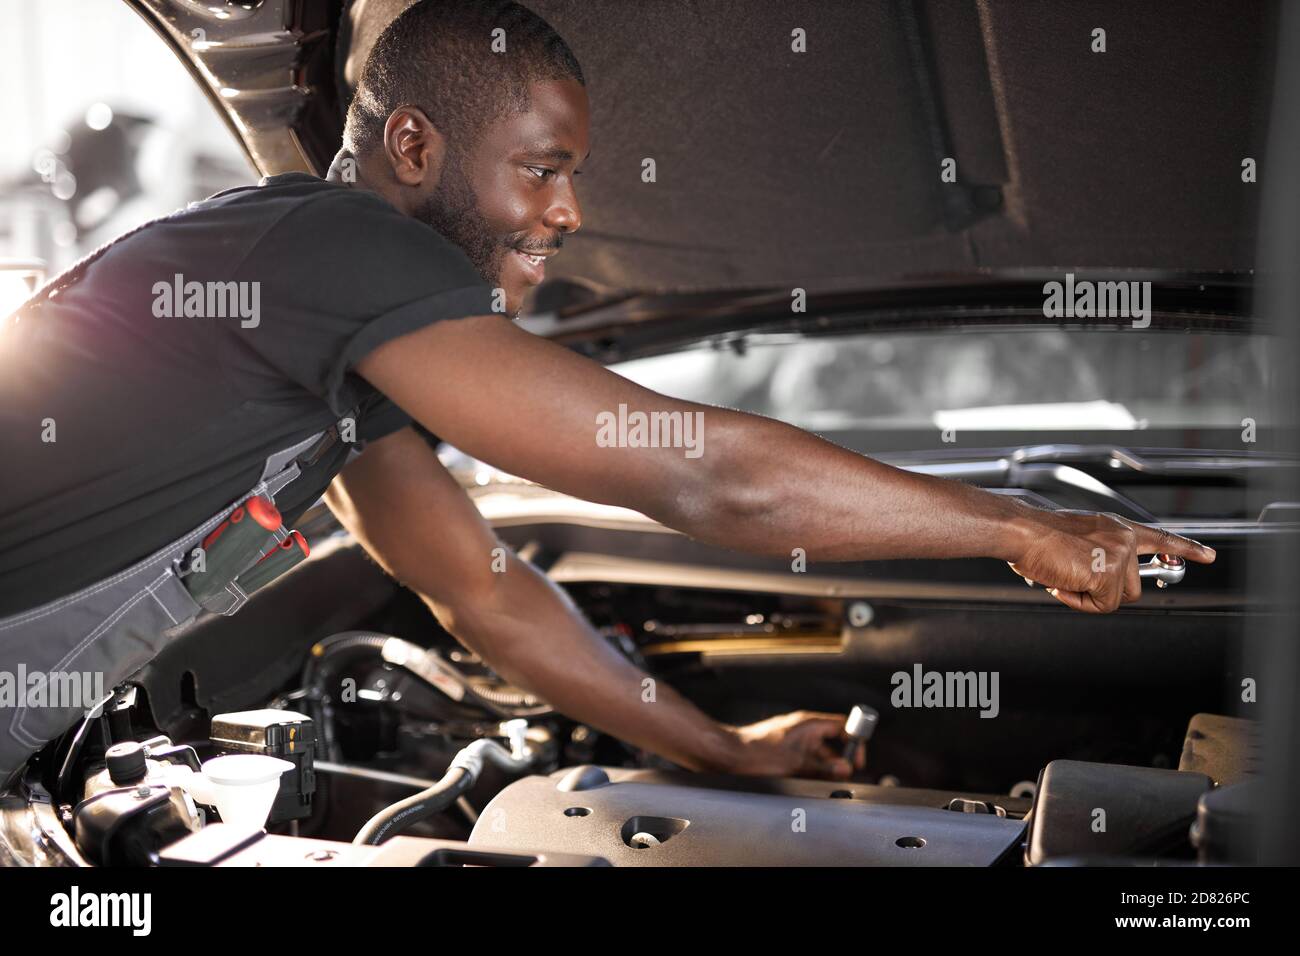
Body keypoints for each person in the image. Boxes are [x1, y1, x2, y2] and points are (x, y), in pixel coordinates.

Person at [0, 0, 1214, 782]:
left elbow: (480, 584)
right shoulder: (332, 248)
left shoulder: (334, 330)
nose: (572, 213)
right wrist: (1020, 526)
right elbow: (699, 474)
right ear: (414, 148)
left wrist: (724, 752)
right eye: (542, 170)